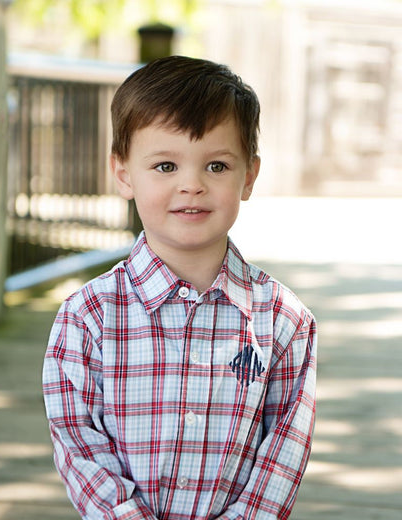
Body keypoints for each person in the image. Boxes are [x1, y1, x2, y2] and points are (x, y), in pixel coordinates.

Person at [43, 55, 317, 520]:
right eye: (166, 166)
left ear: (248, 175)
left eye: (216, 166)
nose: (191, 185)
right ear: (124, 172)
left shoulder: (284, 321)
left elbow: (284, 452)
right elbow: (78, 442)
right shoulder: (86, 316)